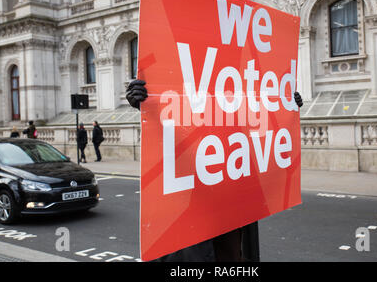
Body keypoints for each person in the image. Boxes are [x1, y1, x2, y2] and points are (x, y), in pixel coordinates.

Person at [126, 80, 303, 262]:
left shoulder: (238, 135)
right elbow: (172, 128)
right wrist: (148, 106)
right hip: (192, 214)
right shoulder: (188, 127)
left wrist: (285, 108)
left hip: (229, 212)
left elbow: (266, 146)